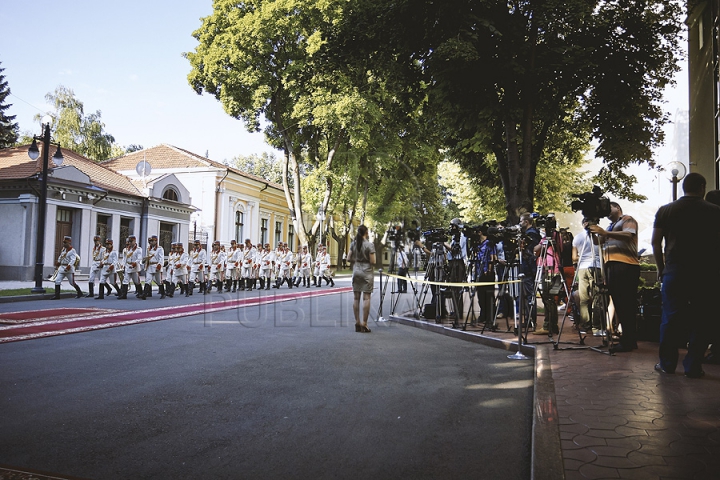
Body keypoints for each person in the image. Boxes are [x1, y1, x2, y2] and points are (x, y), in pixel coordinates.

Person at [651, 173, 720, 377]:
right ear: (702, 187)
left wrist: (660, 267)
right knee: (702, 319)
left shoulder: (665, 210)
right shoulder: (715, 211)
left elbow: (656, 242)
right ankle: (693, 365)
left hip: (674, 272)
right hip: (705, 274)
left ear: (683, 187)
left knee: (670, 319)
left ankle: (667, 363)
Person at [588, 202, 640, 353]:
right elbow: (599, 242)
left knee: (626, 303)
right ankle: (629, 339)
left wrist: (605, 233)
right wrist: (591, 232)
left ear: (618, 208)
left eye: (610, 207)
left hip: (626, 265)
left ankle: (629, 340)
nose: (606, 210)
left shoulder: (627, 219)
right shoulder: (610, 226)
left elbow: (629, 234)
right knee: (619, 303)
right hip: (612, 266)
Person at [572, 219, 603, 335]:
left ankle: (585, 325)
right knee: (597, 297)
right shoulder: (600, 235)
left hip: (582, 268)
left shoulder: (577, 237)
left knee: (583, 298)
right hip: (596, 266)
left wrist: (582, 256)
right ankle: (596, 327)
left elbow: (574, 257)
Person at [349, 225, 376, 333]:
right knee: (366, 298)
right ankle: (364, 323)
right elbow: (373, 261)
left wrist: (357, 260)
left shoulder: (353, 244)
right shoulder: (369, 245)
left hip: (356, 271)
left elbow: (348, 258)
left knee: (356, 298)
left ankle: (357, 322)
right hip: (367, 272)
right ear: (366, 233)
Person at [519, 213, 541, 329]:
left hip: (529, 267)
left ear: (526, 222)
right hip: (528, 267)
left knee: (529, 295)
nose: (520, 223)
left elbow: (530, 252)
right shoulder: (531, 233)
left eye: (521, 221)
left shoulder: (531, 234)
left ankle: (530, 320)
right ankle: (528, 319)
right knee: (527, 294)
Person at [120, 235, 144, 300]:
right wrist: (123, 265)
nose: (130, 243)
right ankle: (123, 295)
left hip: (134, 267)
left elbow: (139, 258)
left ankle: (140, 293)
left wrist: (134, 263)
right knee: (125, 280)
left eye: (131, 241)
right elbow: (124, 258)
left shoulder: (138, 249)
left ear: (134, 241)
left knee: (136, 281)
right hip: (128, 266)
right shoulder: (127, 249)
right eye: (129, 241)